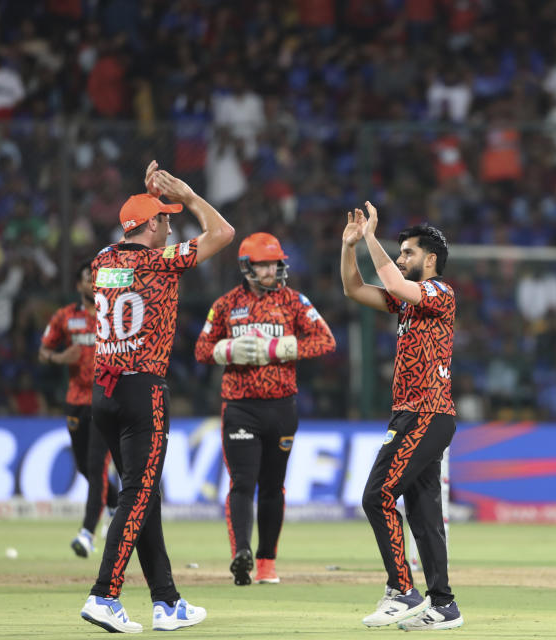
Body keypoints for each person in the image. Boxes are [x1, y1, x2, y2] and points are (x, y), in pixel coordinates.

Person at [80, 161, 234, 633]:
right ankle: (105, 595)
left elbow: (124, 241)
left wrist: (144, 204)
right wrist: (186, 193)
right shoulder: (161, 261)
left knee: (147, 497)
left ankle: (167, 602)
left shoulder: (103, 261)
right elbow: (223, 232)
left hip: (103, 391)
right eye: (165, 218)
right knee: (138, 495)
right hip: (142, 391)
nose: (171, 224)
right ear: (151, 225)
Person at [340, 202, 464, 631]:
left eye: (408, 252)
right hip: (419, 415)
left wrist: (372, 237)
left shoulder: (439, 293)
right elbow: (354, 290)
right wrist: (348, 246)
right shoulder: (408, 305)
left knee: (376, 496)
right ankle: (444, 604)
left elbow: (390, 279)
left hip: (425, 413)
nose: (401, 259)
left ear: (430, 260)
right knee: (424, 517)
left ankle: (402, 589)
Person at [194, 232, 336, 586]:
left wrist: (283, 348)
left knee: (273, 486)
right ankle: (241, 553)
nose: (272, 269)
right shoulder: (225, 305)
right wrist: (227, 351)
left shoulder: (295, 301)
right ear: (247, 266)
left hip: (282, 408)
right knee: (242, 482)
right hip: (240, 406)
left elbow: (325, 340)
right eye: (264, 263)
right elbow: (201, 349)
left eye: (275, 263)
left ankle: (267, 563)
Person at [39, 261, 119, 558]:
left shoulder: (113, 313)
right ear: (79, 285)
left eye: (97, 278)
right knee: (86, 467)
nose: (93, 282)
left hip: (105, 399)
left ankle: (87, 533)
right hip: (75, 400)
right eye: (88, 278)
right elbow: (44, 351)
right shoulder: (65, 317)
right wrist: (61, 358)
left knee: (97, 466)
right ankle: (116, 504)